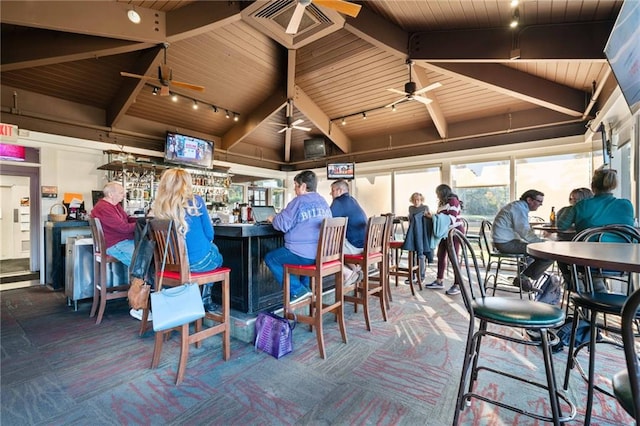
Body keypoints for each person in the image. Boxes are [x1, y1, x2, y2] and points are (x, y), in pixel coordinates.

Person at [152, 169, 223, 312]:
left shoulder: (158, 208)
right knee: (216, 254)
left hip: (170, 266)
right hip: (199, 264)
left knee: (211, 250)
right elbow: (210, 234)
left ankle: (195, 297)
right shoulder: (196, 201)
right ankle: (205, 297)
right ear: (186, 183)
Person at [557, 167, 635, 292]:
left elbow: (561, 226)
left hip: (590, 263)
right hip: (623, 263)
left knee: (561, 254)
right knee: (594, 264)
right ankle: (603, 294)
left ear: (593, 187)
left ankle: (577, 290)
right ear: (613, 186)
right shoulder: (626, 205)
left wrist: (572, 207)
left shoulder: (582, 205)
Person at [265, 170, 332, 301]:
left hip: (304, 255)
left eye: (296, 185)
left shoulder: (299, 201)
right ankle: (307, 291)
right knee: (304, 254)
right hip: (321, 254)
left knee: (271, 258)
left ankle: (298, 290)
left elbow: (281, 225)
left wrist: (273, 218)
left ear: (303, 186)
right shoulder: (323, 201)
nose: (295, 190)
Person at [491, 189, 554, 291]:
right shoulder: (518, 208)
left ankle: (523, 280)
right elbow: (524, 231)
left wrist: (539, 242)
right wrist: (542, 244)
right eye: (539, 201)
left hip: (506, 241)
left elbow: (524, 232)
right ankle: (522, 278)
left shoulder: (518, 206)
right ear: (529, 199)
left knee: (533, 251)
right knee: (548, 254)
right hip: (505, 244)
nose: (541, 204)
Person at [424, 184, 465, 295]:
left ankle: (458, 284)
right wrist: (433, 216)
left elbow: (450, 220)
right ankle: (439, 280)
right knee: (441, 255)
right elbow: (441, 218)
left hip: (454, 232)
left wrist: (432, 217)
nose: (437, 196)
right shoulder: (443, 203)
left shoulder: (453, 201)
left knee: (454, 257)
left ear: (443, 192)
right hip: (444, 233)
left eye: (438, 193)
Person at [329, 179, 367, 286]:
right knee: (334, 246)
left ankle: (349, 273)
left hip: (354, 247)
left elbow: (327, 221)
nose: (331, 193)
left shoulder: (338, 202)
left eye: (332, 190)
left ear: (339, 190)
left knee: (323, 250)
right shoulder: (353, 200)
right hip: (364, 245)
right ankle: (355, 269)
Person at [90, 182, 137, 267]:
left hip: (123, 241)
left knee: (149, 253)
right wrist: (143, 224)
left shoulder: (115, 205)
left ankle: (142, 279)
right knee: (142, 261)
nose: (124, 195)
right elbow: (124, 228)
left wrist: (142, 220)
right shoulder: (103, 208)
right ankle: (143, 279)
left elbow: (127, 219)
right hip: (115, 244)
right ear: (111, 194)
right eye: (121, 193)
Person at [407, 192, 430, 283]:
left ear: (421, 200)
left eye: (418, 200)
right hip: (412, 232)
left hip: (421, 233)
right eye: (414, 200)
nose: (416, 201)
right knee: (411, 253)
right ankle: (411, 275)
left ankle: (421, 276)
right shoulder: (411, 208)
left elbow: (427, 220)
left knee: (420, 254)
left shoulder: (425, 208)